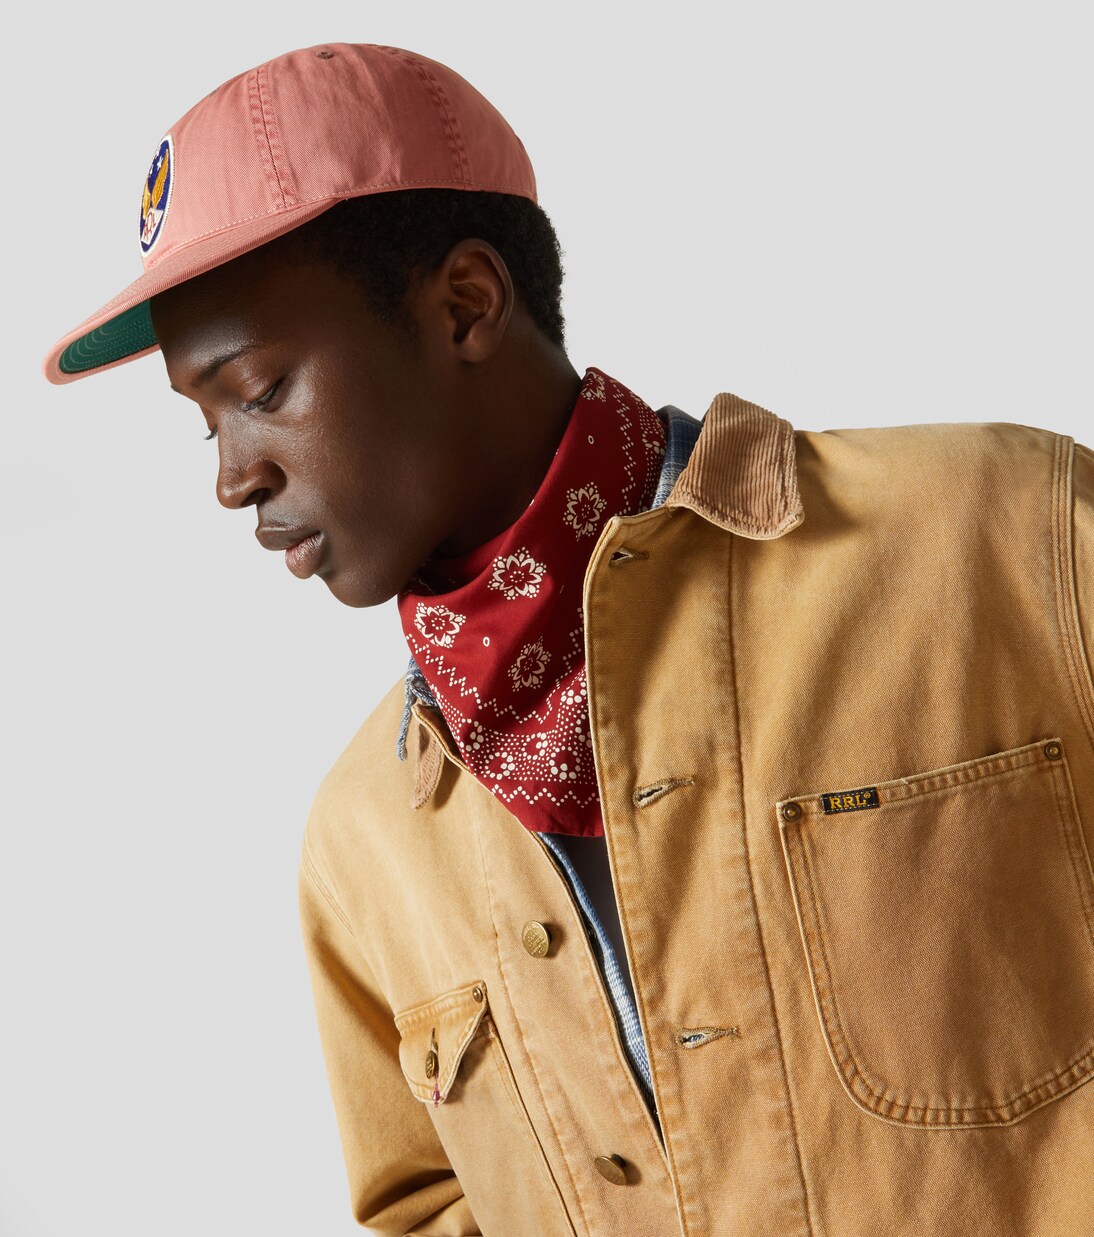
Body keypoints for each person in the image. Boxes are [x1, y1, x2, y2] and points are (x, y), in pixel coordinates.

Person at [43, 41, 1094, 1237]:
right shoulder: (364, 841)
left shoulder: (1002, 536)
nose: (233, 478)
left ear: (464, 305)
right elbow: (425, 1208)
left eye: (259, 390)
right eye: (206, 425)